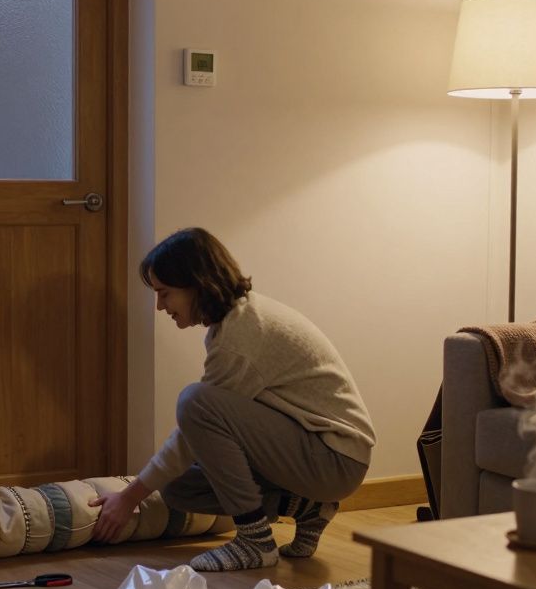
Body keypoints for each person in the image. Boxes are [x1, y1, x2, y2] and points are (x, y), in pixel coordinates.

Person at [89, 228, 375, 571]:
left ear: (197, 284)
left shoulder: (241, 333)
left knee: (195, 401)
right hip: (312, 454)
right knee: (179, 489)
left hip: (334, 458)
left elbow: (196, 423)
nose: (160, 306)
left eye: (165, 294)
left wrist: (129, 497)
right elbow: (203, 439)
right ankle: (308, 508)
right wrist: (140, 490)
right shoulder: (231, 324)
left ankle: (255, 542)